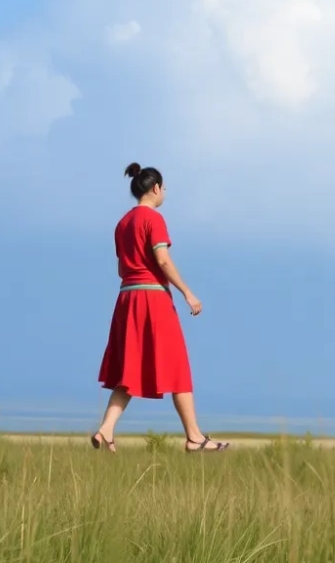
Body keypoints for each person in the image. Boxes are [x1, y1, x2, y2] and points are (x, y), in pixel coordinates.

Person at [92, 163, 229, 453]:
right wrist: (188, 293)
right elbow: (162, 260)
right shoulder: (153, 220)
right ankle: (194, 437)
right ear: (155, 188)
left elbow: (121, 269)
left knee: (128, 368)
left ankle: (106, 430)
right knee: (178, 365)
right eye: (164, 188)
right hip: (152, 298)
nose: (164, 192)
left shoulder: (122, 224)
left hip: (126, 298)